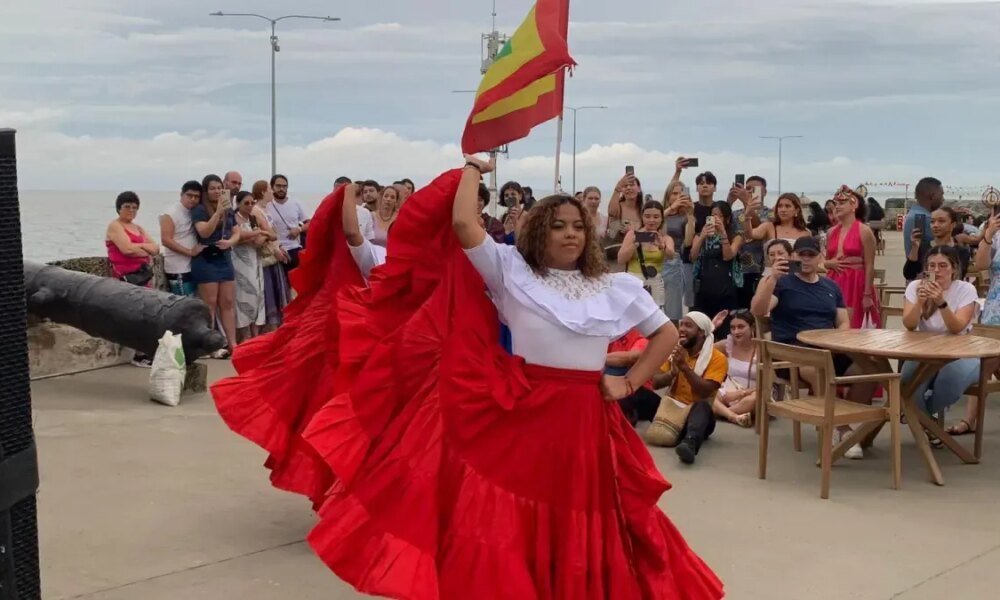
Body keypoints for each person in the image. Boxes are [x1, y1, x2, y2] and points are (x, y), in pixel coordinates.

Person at [215, 157, 723, 598]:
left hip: (585, 420)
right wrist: (473, 170)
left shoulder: (615, 285)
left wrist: (629, 382)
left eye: (578, 225)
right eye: (558, 224)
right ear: (538, 230)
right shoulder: (510, 272)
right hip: (523, 410)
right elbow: (462, 226)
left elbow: (661, 335)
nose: (571, 233)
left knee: (582, 519)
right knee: (510, 516)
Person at [751, 236, 876, 459]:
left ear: (820, 257)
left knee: (870, 370)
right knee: (817, 367)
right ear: (793, 257)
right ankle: (838, 429)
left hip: (828, 347)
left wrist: (840, 339)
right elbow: (758, 311)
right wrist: (772, 278)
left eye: (811, 254)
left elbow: (843, 321)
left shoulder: (831, 286)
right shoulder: (782, 284)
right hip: (793, 353)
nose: (806, 259)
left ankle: (841, 420)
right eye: (801, 255)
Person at [901, 247, 979, 439]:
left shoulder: (965, 289)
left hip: (961, 350)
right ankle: (929, 425)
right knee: (907, 381)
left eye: (943, 265)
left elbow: (957, 328)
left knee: (950, 381)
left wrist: (941, 303)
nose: (937, 270)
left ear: (953, 269)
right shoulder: (916, 286)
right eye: (932, 266)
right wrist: (920, 302)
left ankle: (916, 416)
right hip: (924, 350)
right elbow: (909, 324)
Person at [646, 312, 727, 465]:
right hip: (671, 409)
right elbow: (655, 383)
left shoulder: (717, 358)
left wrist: (685, 369)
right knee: (639, 394)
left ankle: (689, 444)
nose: (682, 329)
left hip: (697, 418)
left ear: (701, 333)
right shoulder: (675, 352)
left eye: (688, 326)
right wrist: (672, 373)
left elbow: (705, 391)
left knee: (702, 406)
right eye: (681, 324)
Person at [106, 191, 160, 367]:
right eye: (127, 207)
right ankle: (139, 354)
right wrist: (145, 247)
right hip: (126, 278)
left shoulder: (139, 228)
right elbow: (126, 249)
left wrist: (141, 247)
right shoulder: (115, 226)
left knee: (148, 314)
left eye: (134, 207)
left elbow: (156, 248)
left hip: (143, 275)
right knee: (135, 316)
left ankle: (145, 350)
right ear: (119, 208)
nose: (131, 210)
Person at [191, 174, 240, 359]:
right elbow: (204, 232)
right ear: (206, 190)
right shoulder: (199, 210)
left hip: (224, 258)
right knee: (209, 305)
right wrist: (218, 212)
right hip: (206, 259)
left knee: (227, 303)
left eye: (219, 188)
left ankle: (233, 343)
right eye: (212, 188)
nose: (217, 191)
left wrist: (230, 242)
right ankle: (208, 345)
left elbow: (236, 232)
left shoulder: (229, 209)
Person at [825, 186, 880, 328]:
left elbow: (870, 265)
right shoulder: (831, 232)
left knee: (855, 324)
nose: (837, 207)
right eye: (836, 204)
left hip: (856, 283)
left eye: (842, 203)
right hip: (833, 280)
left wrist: (867, 294)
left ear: (853, 205)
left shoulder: (864, 231)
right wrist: (828, 263)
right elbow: (826, 260)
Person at [690, 201, 743, 338]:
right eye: (713, 215)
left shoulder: (735, 237)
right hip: (704, 286)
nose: (715, 218)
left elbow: (728, 256)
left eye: (719, 216)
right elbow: (693, 256)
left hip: (725, 286)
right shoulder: (701, 234)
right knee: (702, 328)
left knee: (725, 328)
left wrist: (723, 234)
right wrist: (702, 237)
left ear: (727, 218)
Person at [617, 200, 674, 307]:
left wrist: (662, 246)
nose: (651, 220)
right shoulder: (633, 234)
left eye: (656, 217)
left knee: (655, 316)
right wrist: (636, 243)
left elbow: (671, 255)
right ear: (642, 217)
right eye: (647, 216)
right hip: (634, 281)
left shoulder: (665, 238)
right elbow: (620, 259)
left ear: (662, 218)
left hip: (655, 283)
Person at [252, 180, 291, 330]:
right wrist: (275, 248)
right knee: (269, 292)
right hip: (267, 256)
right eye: (269, 189)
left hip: (273, 254)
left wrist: (279, 246)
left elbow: (272, 233)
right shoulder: (257, 210)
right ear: (262, 192)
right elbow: (269, 233)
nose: (271, 192)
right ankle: (269, 329)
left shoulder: (265, 209)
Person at [729, 175, 772, 309]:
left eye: (755, 189)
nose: (750, 192)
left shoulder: (771, 213)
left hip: (759, 269)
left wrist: (747, 203)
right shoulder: (736, 214)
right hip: (738, 271)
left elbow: (758, 227)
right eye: (747, 189)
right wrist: (729, 202)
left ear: (764, 192)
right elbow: (725, 230)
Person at [231, 191, 268, 341]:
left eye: (252, 203)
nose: (250, 206)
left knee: (258, 295)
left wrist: (262, 234)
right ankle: (245, 334)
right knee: (243, 296)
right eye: (246, 203)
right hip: (240, 261)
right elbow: (237, 237)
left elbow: (272, 234)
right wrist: (257, 235)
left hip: (255, 260)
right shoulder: (234, 219)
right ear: (238, 203)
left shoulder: (253, 219)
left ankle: (255, 333)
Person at [159, 181, 205, 297]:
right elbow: (166, 240)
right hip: (178, 268)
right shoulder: (170, 213)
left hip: (193, 266)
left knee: (195, 304)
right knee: (184, 305)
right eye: (189, 195)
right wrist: (189, 252)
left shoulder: (195, 212)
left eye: (197, 197)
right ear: (181, 194)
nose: (193, 199)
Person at [712, 310, 757, 428]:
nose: (736, 331)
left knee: (754, 399)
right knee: (707, 394)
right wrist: (712, 327)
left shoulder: (761, 348)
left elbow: (769, 382)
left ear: (752, 327)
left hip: (752, 393)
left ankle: (721, 412)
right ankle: (735, 417)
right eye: (733, 328)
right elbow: (703, 351)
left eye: (741, 327)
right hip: (729, 391)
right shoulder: (728, 344)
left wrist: (743, 393)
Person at [904, 206, 970, 280]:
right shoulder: (923, 247)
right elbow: (909, 274)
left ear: (953, 225)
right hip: (926, 290)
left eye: (941, 221)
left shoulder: (962, 252)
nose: (935, 225)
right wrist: (915, 247)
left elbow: (956, 277)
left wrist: (926, 276)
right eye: (932, 222)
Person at [662, 182, 696, 321]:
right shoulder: (660, 213)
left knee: (673, 310)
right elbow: (652, 224)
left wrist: (690, 215)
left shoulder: (684, 217)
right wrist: (671, 208)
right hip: (655, 259)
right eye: (674, 193)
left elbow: (688, 241)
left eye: (680, 194)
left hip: (674, 261)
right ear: (668, 195)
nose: (677, 197)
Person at [266, 174, 310, 271]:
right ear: (272, 187)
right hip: (275, 252)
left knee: (296, 284)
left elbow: (310, 223)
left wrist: (299, 229)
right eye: (278, 186)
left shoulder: (295, 203)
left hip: (294, 250)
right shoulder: (267, 205)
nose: (281, 189)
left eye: (284, 186)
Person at [902, 177, 945, 276]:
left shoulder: (914, 215)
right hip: (925, 277)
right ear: (932, 195)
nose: (943, 199)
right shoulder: (923, 218)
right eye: (941, 194)